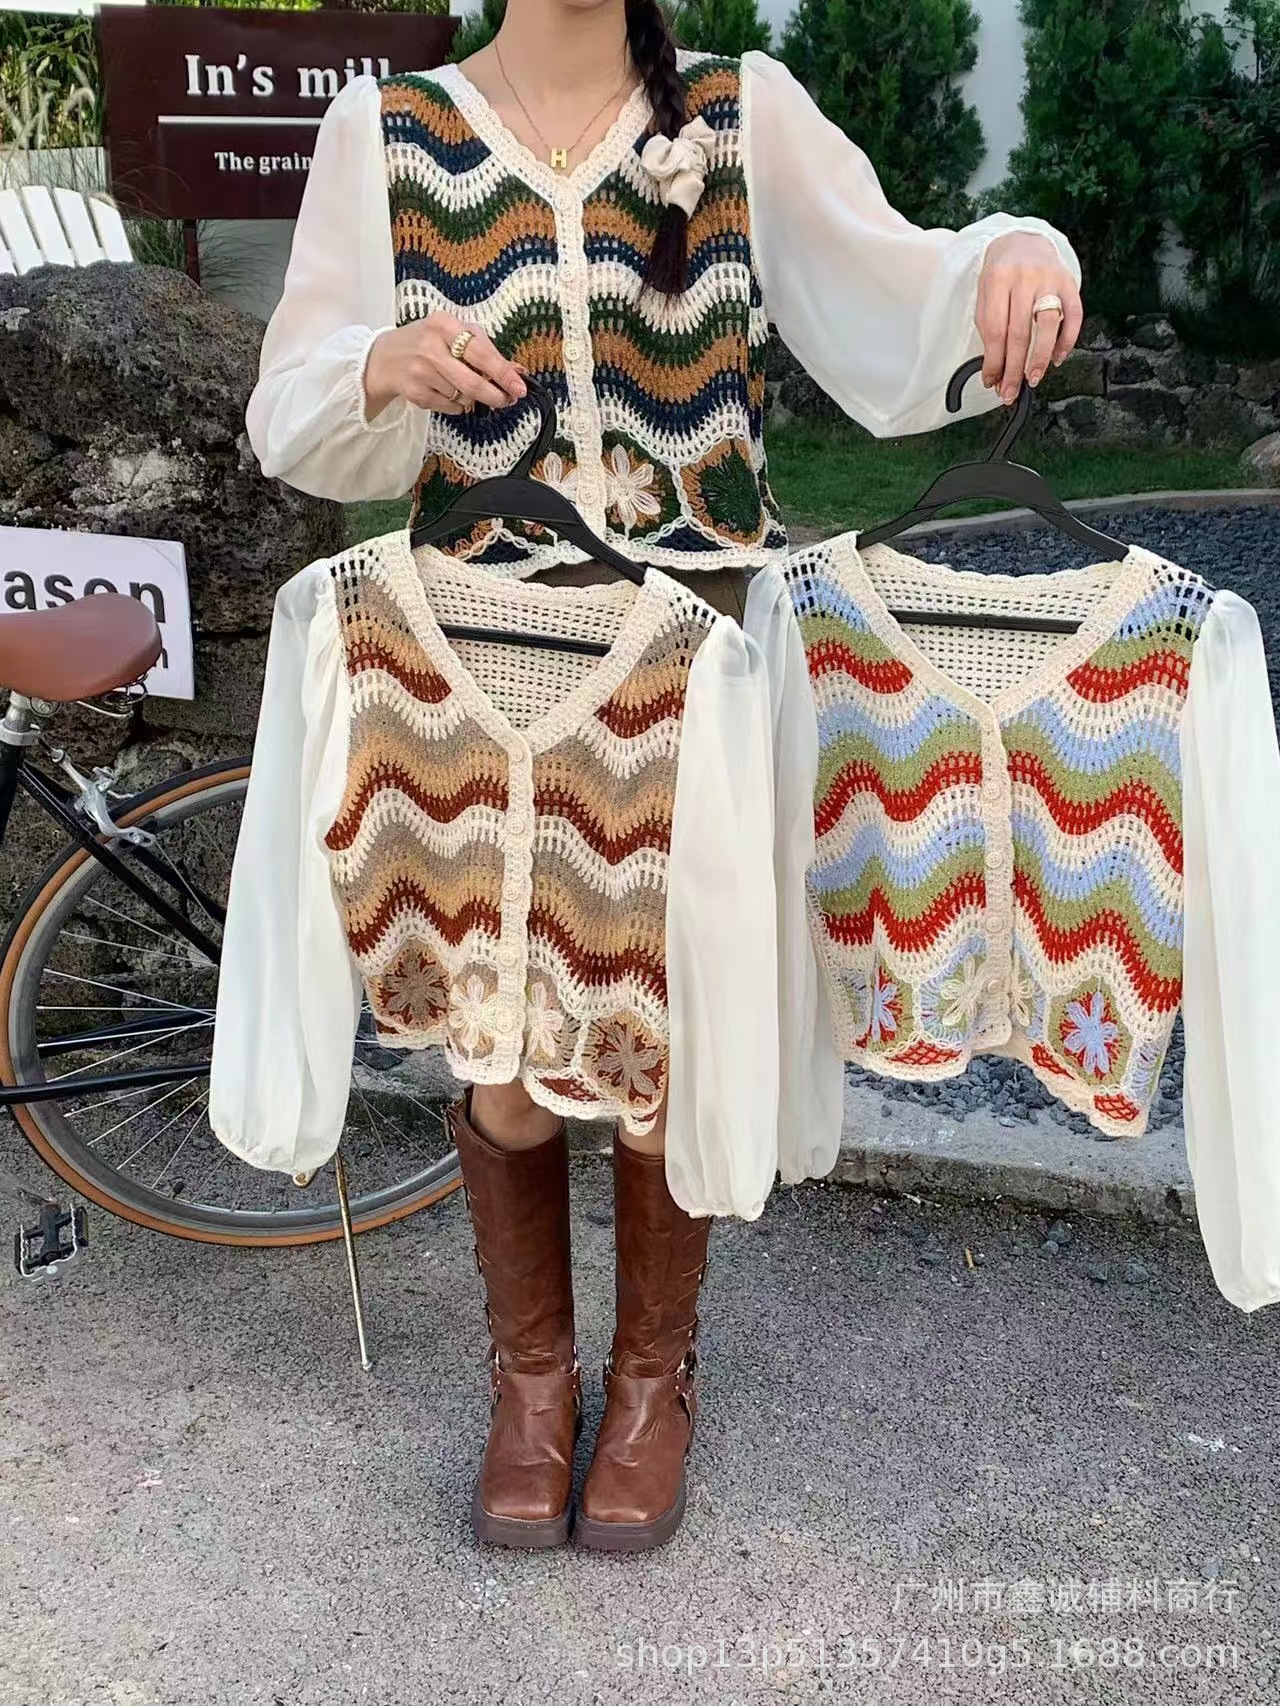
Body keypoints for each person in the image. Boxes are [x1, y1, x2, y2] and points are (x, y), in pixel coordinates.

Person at [243, 0, 1083, 1552]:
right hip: (481, 666)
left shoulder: (738, 115)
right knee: (500, 1044)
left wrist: (1015, 250)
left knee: (662, 1043)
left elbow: (903, 289)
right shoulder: (390, 135)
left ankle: (649, 1379)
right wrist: (379, 363)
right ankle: (529, 1381)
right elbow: (288, 406)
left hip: (689, 669)